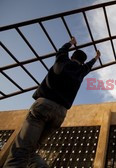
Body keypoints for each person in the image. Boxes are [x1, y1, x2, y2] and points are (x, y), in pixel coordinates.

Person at [4, 37, 101, 168]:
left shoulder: (63, 61)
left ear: (72, 57)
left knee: (21, 150)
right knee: (31, 151)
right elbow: (89, 66)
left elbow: (62, 50)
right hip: (60, 114)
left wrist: (71, 43)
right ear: (82, 62)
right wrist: (96, 57)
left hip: (44, 106)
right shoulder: (81, 71)